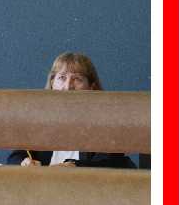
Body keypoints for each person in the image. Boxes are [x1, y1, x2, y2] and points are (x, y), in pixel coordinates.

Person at [8, 51, 136, 169]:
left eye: (77, 79)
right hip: (42, 185)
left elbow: (110, 162)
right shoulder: (37, 119)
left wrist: (74, 167)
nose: (68, 86)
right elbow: (15, 156)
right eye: (62, 77)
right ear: (52, 83)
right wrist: (24, 162)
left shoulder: (106, 122)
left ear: (91, 87)